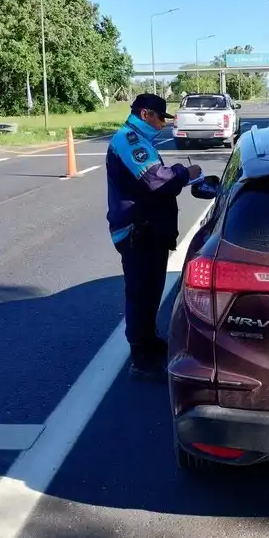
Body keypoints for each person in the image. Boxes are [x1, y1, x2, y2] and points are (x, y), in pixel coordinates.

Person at [107, 93, 202, 381]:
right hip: (137, 233)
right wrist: (185, 173)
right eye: (160, 118)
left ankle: (149, 341)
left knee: (150, 293)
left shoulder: (138, 138)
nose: (162, 124)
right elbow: (157, 180)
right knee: (141, 295)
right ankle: (142, 359)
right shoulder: (129, 140)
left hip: (149, 231)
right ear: (145, 114)